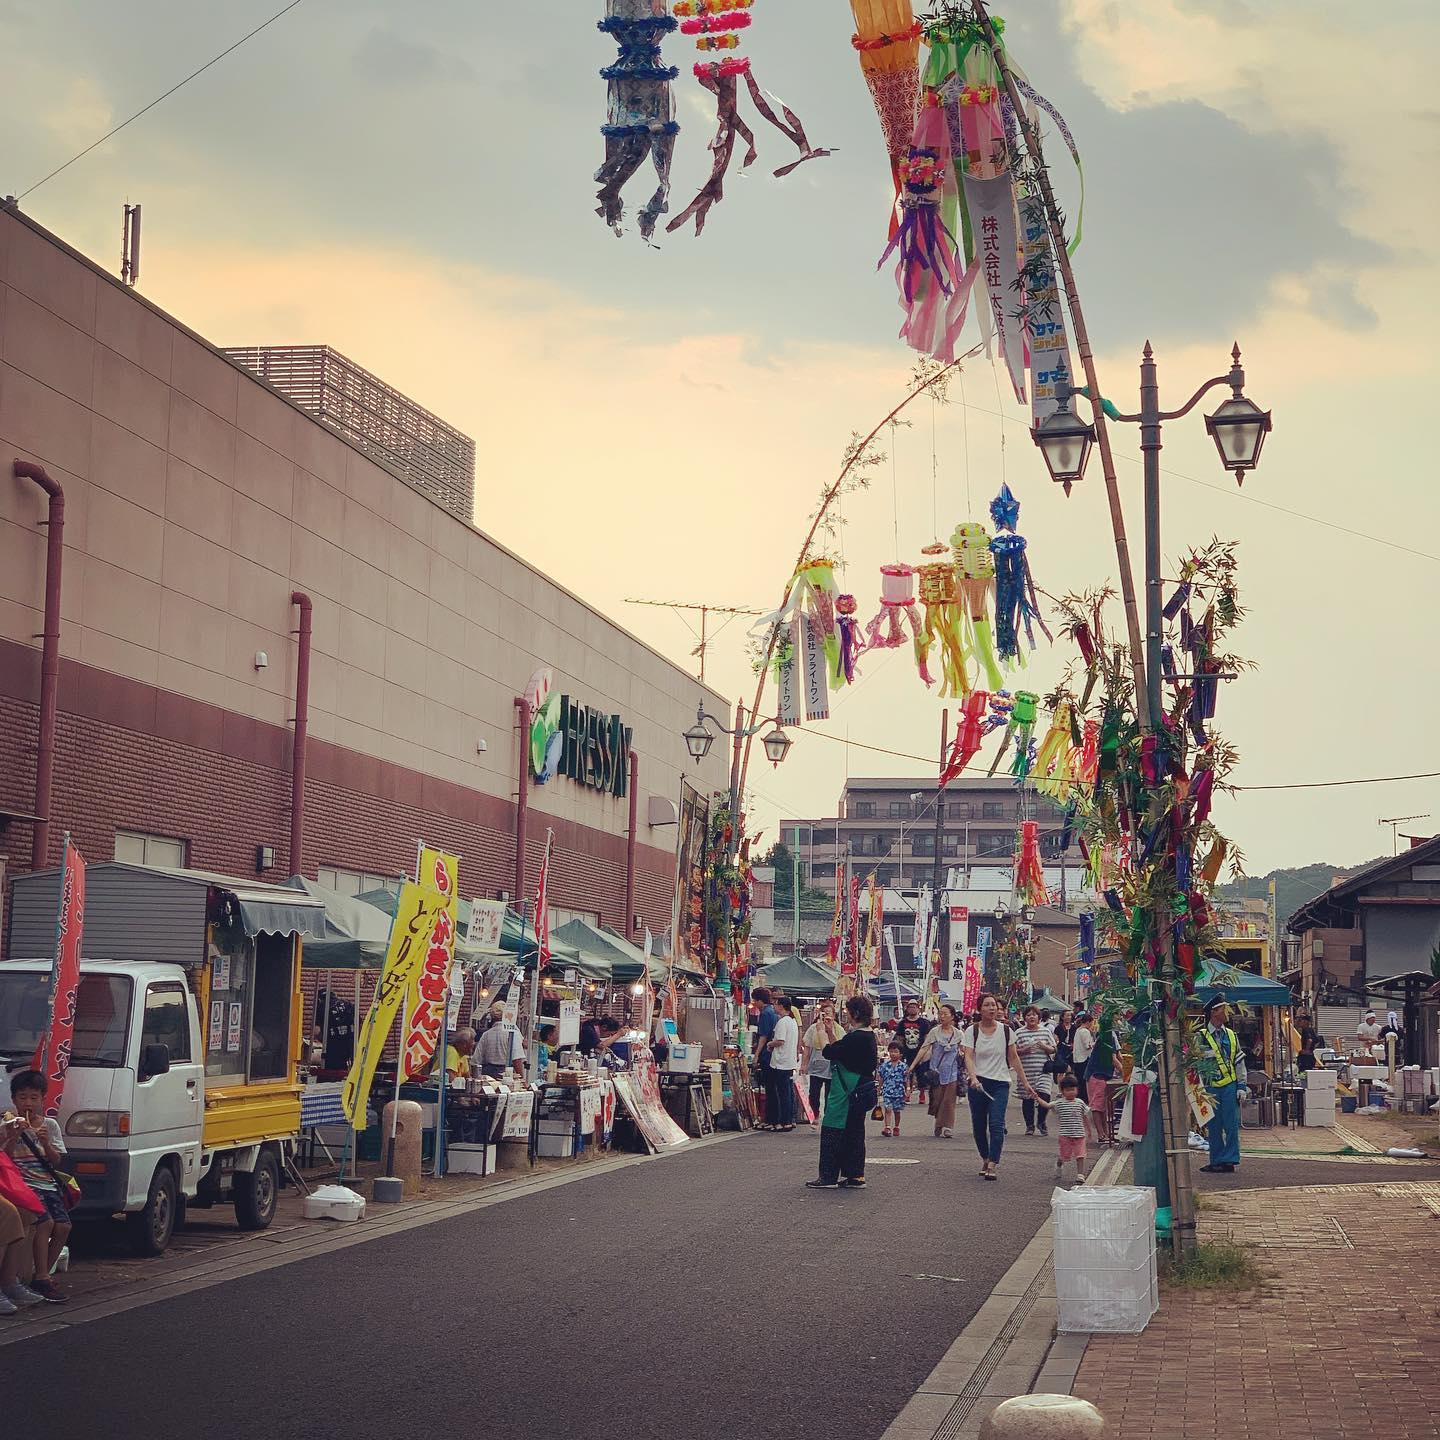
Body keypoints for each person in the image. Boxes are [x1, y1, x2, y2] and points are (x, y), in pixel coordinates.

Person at [3, 1070, 69, 1302]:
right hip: (23, 1184)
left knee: (63, 1227)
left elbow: (56, 1160)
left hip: (48, 1184)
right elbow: (5, 1159)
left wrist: (45, 1143)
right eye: (22, 1097)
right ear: (14, 1099)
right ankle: (41, 1277)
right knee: (45, 1223)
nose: (28, 1103)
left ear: (42, 1099)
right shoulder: (7, 1123)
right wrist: (12, 1136)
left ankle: (42, 1275)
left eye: (33, 1097)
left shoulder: (49, 1125)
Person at [962, 993, 1037, 1181]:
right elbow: (968, 1056)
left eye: (994, 1005)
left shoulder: (1006, 1031)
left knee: (996, 1124)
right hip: (978, 1084)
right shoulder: (972, 1031)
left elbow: (1013, 1057)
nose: (992, 1008)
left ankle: (993, 1163)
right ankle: (985, 1158)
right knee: (979, 1126)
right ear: (980, 1009)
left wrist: (1025, 1082)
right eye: (987, 1005)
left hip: (1000, 1083)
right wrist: (973, 1078)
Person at [806, 994, 878, 1190]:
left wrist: (820, 1031)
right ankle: (855, 1175)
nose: (845, 1016)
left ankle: (828, 1176)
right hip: (858, 1090)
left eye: (847, 1012)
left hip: (846, 1091)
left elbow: (830, 1052)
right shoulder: (867, 1035)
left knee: (833, 1130)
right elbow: (840, 1049)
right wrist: (830, 1032)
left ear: (854, 1014)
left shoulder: (857, 1037)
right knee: (854, 1133)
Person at [1200, 998, 1243, 1175]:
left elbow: (1239, 1063)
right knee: (1214, 1126)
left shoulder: (1232, 1035)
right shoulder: (1200, 1036)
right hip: (1210, 1088)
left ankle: (1230, 1160)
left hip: (1229, 1087)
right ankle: (1217, 1161)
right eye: (1223, 1009)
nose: (1227, 1013)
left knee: (1231, 1125)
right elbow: (1196, 1065)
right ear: (1214, 1012)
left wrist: (1242, 1085)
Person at [909, 1004, 963, 1138]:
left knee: (949, 1101)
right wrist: (912, 1065)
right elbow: (924, 1048)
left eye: (945, 1014)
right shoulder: (935, 1032)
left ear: (952, 1016)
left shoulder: (958, 1034)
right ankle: (939, 1123)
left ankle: (948, 1127)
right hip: (936, 1072)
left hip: (952, 1072)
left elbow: (966, 1051)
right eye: (940, 1014)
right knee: (937, 1099)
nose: (942, 1016)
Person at [1033, 1074, 1095, 1187]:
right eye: (1068, 1090)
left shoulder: (1080, 1103)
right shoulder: (1059, 1103)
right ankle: (1059, 1163)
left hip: (1079, 1134)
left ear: (1077, 1090)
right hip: (1065, 1135)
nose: (1071, 1092)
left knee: (1080, 1155)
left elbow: (1085, 1117)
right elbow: (1047, 1105)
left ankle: (1080, 1175)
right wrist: (1037, 1098)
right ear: (1062, 1091)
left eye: (1073, 1089)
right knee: (1064, 1155)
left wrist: (1089, 1131)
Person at [1014, 1005, 1058, 1137]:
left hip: (1043, 1070)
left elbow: (1054, 1049)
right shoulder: (1019, 1033)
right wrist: (1024, 1050)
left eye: (1034, 1014)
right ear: (1024, 1018)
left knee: (1044, 1095)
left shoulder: (1045, 1032)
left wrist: (1045, 1047)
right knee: (1027, 1098)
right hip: (1026, 1070)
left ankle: (1041, 1121)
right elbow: (1013, 1051)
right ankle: (1029, 1126)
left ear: (1038, 1017)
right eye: (1028, 1015)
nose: (1031, 1017)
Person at [802, 998, 843, 1122]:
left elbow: (840, 1047)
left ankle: (828, 1118)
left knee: (829, 1095)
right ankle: (815, 1114)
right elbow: (807, 1048)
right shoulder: (813, 1028)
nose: (827, 1017)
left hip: (831, 1068)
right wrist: (804, 1065)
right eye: (824, 1014)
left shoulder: (839, 1029)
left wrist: (830, 1031)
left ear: (834, 1015)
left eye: (829, 1013)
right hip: (816, 1066)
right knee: (813, 1094)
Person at [764, 999, 800, 1132]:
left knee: (781, 1092)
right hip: (789, 1061)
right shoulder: (792, 1021)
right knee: (788, 1092)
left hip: (781, 1062)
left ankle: (783, 1121)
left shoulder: (782, 1022)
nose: (774, 1006)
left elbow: (780, 1040)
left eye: (776, 1004)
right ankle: (790, 1119)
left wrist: (769, 1044)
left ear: (781, 1006)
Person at [1084, 1015, 1118, 1147]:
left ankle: (1106, 1133)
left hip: (1101, 1075)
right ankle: (1101, 1134)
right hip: (1096, 1076)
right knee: (1097, 1107)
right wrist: (1125, 1071)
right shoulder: (1106, 1038)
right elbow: (1114, 1059)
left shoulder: (1107, 1037)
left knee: (1103, 1107)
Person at [894, 1000, 933, 1104]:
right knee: (907, 1074)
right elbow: (900, 1038)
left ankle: (921, 1094)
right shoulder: (902, 1023)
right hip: (907, 1052)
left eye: (914, 1007)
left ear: (918, 1008)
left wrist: (926, 1052)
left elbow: (927, 1038)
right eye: (910, 1007)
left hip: (920, 1052)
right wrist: (900, 1052)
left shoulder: (924, 1023)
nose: (912, 1009)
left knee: (921, 1075)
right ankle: (907, 1094)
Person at [878, 1042, 910, 1137]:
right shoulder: (884, 1066)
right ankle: (887, 1127)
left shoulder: (903, 1066)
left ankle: (896, 1126)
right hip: (887, 1090)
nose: (893, 1054)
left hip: (899, 1091)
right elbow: (881, 1078)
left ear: (900, 1054)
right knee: (887, 1109)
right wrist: (879, 1088)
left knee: (897, 1111)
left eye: (895, 1052)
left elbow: (906, 1079)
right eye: (891, 1051)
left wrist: (908, 1089)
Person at [1052, 1009, 1076, 1077]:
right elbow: (1055, 1040)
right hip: (1061, 1050)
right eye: (1067, 1015)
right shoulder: (1058, 1028)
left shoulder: (1074, 1027)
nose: (1069, 1017)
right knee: (1062, 1070)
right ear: (1062, 1017)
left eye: (1070, 1015)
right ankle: (1060, 1086)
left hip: (1071, 1050)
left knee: (1071, 1071)